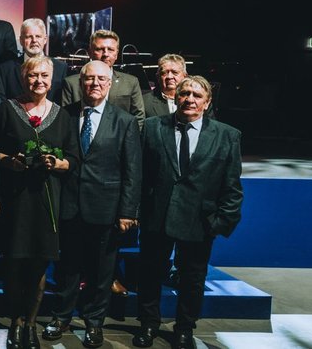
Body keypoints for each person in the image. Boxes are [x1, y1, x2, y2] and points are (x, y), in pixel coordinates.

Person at [134, 76, 243, 349]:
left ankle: (184, 328)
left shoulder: (227, 136)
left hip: (200, 221)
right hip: (156, 216)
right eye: (184, 94)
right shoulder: (151, 128)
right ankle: (148, 324)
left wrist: (219, 223)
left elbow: (232, 186)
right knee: (149, 274)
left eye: (196, 95)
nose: (189, 99)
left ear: (206, 103)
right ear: (176, 98)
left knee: (193, 279)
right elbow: (138, 176)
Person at [43, 61, 142, 348]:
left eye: (101, 79)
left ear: (110, 83)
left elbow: (133, 170)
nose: (95, 84)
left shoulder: (123, 121)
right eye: (89, 79)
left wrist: (127, 211)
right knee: (68, 268)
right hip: (69, 206)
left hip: (106, 208)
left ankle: (94, 323)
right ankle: (60, 317)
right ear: (80, 83)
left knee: (102, 272)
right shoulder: (64, 115)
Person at [0, 55, 77, 349]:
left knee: (40, 266)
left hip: (47, 201)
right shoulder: (7, 109)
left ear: (52, 79)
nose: (38, 81)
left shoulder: (63, 116)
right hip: (16, 200)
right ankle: (15, 323)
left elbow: (74, 160)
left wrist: (57, 163)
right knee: (15, 265)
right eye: (32, 75)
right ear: (23, 77)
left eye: (44, 75)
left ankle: (30, 323)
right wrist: (10, 163)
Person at [61, 29, 146, 128]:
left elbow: (139, 118)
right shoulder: (71, 83)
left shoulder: (131, 82)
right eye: (100, 49)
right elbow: (65, 119)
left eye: (110, 49)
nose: (105, 54)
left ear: (116, 54)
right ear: (90, 52)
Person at [0, 18, 69, 104]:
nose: (34, 40)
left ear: (45, 39)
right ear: (21, 40)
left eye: (38, 36)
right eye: (29, 37)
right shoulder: (6, 68)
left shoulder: (60, 68)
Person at [143, 53, 187, 118]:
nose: (169, 76)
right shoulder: (144, 102)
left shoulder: (194, 99)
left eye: (175, 72)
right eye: (164, 73)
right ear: (158, 77)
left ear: (185, 76)